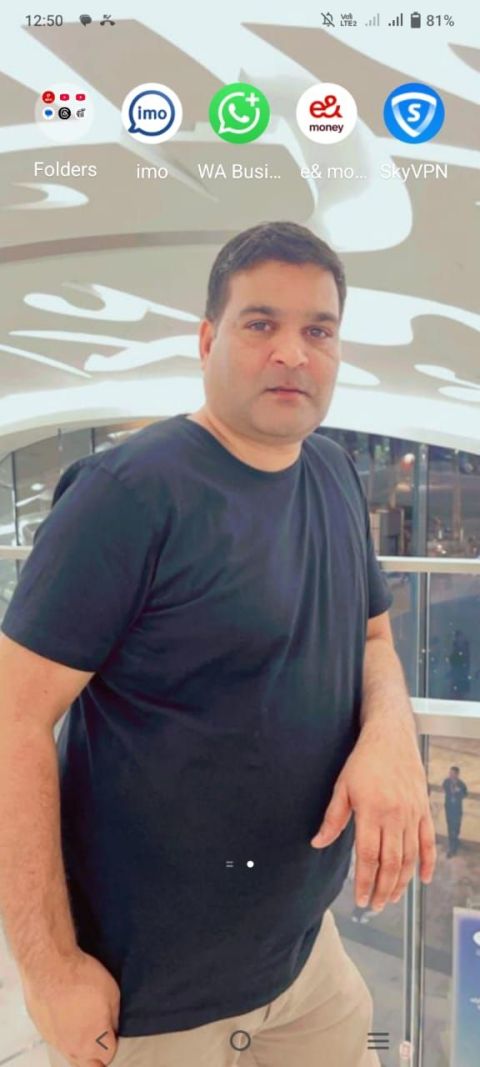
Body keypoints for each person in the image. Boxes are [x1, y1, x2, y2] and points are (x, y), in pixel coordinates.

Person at [0, 221, 433, 1067]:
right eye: (260, 323)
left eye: (318, 330)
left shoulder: (334, 475)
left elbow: (373, 635)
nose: (292, 353)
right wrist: (49, 969)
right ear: (207, 340)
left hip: (306, 960)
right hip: (152, 1000)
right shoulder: (129, 495)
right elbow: (12, 719)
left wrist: (390, 734)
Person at [442, 765, 468, 856]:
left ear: (457, 774)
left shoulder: (461, 784)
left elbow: (465, 794)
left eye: (452, 773)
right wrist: (451, 791)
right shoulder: (446, 781)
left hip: (457, 810)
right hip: (449, 808)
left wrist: (458, 791)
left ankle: (455, 843)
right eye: (450, 773)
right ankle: (452, 847)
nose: (450, 775)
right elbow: (444, 788)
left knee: (456, 828)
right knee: (450, 827)